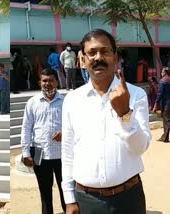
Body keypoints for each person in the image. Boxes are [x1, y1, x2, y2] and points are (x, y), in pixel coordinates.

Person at [62, 29, 151, 214]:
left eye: (105, 51)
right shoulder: (72, 100)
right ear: (83, 59)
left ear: (115, 57)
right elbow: (68, 151)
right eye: (92, 52)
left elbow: (140, 148)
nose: (98, 57)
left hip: (128, 198)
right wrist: (69, 198)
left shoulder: (136, 95)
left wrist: (124, 113)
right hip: (87, 199)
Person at [21, 68, 66, 214]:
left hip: (63, 154)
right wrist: (26, 152)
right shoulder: (32, 102)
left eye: (51, 80)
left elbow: (75, 126)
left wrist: (65, 133)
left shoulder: (66, 102)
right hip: (40, 154)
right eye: (44, 80)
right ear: (40, 83)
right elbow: (26, 128)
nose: (48, 84)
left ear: (57, 82)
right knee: (45, 193)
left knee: (66, 191)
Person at [153, 67, 170, 143]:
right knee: (166, 121)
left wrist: (156, 104)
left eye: (162, 72)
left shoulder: (163, 81)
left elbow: (159, 94)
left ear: (165, 72)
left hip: (166, 104)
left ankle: (165, 138)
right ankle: (165, 137)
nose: (161, 73)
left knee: (167, 121)